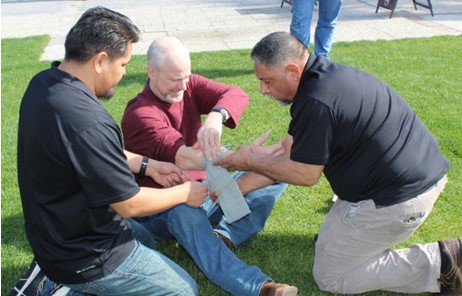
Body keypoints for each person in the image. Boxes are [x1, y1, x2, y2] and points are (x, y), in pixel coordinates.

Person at [215, 31, 461, 295]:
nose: (263, 90)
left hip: (400, 198)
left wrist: (249, 160)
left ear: (292, 70)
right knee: (332, 246)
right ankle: (362, 241)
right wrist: (235, 188)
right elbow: (288, 157)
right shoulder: (321, 78)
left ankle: (442, 262)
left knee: (331, 277)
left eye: (267, 81)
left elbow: (305, 174)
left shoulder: (316, 102)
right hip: (409, 178)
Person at [16, 7, 209, 296]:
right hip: (84, 255)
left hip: (53, 233)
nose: (124, 73)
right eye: (123, 64)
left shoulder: (43, 84)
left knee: (146, 240)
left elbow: (89, 151)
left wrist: (149, 165)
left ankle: (58, 280)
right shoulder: (89, 120)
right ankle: (64, 285)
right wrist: (186, 192)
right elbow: (129, 204)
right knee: (184, 290)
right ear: (100, 61)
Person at [120, 36, 297, 296]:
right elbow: (185, 156)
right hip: (161, 207)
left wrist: (216, 116)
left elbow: (235, 94)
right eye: (174, 79)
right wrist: (244, 159)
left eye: (186, 77)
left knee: (275, 171)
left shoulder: (187, 85)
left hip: (207, 188)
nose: (182, 86)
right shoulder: (139, 114)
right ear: (151, 72)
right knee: (185, 211)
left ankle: (225, 236)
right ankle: (258, 288)